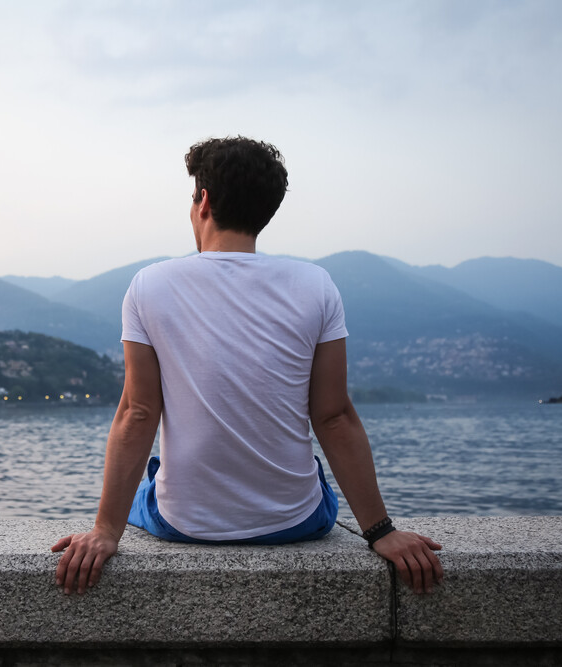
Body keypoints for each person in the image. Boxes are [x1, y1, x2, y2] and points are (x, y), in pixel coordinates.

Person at [53, 136, 443, 595]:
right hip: (296, 523)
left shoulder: (149, 286)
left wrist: (103, 532)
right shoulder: (316, 285)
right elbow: (333, 417)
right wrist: (381, 531)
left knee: (157, 475)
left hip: (184, 525)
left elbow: (138, 413)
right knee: (310, 475)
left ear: (204, 201)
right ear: (266, 211)